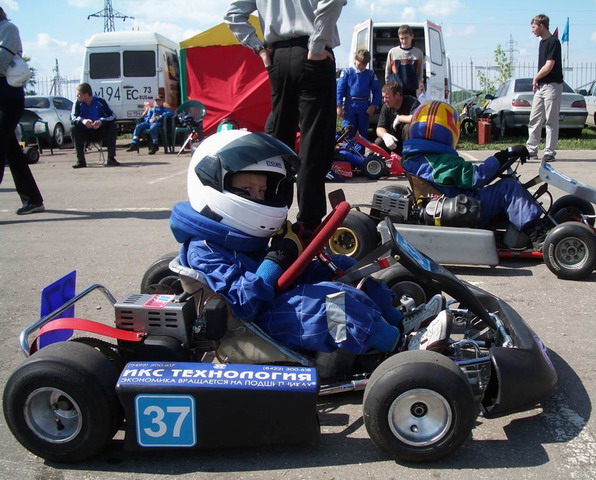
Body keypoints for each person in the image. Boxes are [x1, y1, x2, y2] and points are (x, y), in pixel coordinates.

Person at [170, 130, 445, 355]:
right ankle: (399, 346)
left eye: (263, 190)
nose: (259, 196)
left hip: (272, 299)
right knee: (337, 306)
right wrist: (278, 258)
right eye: (247, 190)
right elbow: (244, 302)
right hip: (252, 324)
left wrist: (293, 245)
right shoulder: (204, 251)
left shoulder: (236, 236)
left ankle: (400, 321)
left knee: (341, 267)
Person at [224, 0, 345, 232]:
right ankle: (308, 224)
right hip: (312, 53)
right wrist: (317, 44)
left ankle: (274, 216)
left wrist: (259, 49)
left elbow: (233, 15)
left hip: (277, 56)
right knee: (314, 142)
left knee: (280, 142)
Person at [402, 101, 551, 247]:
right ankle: (536, 234)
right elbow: (476, 177)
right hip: (465, 208)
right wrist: (502, 156)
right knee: (508, 187)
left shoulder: (414, 158)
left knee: (498, 188)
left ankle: (519, 223)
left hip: (448, 202)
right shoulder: (440, 163)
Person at [0, 6, 45, 215]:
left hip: (7, 98)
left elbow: (1, 63)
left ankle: (33, 200)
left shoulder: (8, 29)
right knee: (12, 151)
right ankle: (33, 200)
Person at [526, 14, 564, 163]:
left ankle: (549, 152)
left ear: (542, 26)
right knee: (534, 118)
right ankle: (531, 150)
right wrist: (538, 81)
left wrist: (535, 77)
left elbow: (549, 65)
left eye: (534, 27)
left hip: (552, 86)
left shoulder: (553, 42)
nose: (532, 30)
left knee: (551, 120)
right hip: (541, 87)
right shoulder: (541, 43)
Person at [336, 49, 381, 144]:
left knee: (362, 135)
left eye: (364, 65)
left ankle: (360, 153)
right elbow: (339, 89)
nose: (361, 67)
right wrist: (339, 106)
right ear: (355, 60)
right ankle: (347, 152)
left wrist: (373, 106)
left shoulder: (370, 74)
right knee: (347, 132)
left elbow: (377, 91)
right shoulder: (347, 72)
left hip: (364, 106)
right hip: (349, 105)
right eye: (359, 64)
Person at [70, 82, 119, 168]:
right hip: (85, 132)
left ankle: (111, 158)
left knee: (113, 126)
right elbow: (73, 118)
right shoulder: (77, 103)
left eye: (79, 94)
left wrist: (101, 121)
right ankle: (81, 161)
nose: (77, 96)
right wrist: (83, 121)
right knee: (73, 129)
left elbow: (112, 116)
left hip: (99, 131)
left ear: (86, 94)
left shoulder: (100, 101)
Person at [375, 82, 420, 155]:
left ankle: (409, 158)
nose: (384, 100)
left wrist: (400, 118)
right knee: (379, 142)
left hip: (410, 143)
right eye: (383, 97)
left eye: (387, 97)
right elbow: (379, 128)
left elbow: (417, 118)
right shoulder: (386, 106)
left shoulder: (412, 102)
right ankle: (383, 161)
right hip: (395, 143)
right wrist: (385, 136)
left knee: (408, 127)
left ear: (397, 95)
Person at [385, 24, 424, 97]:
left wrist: (418, 85)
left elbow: (420, 73)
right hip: (396, 91)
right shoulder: (393, 52)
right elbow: (388, 72)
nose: (404, 41)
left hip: (412, 90)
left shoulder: (418, 53)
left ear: (412, 36)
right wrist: (389, 87)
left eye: (406, 38)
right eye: (401, 38)